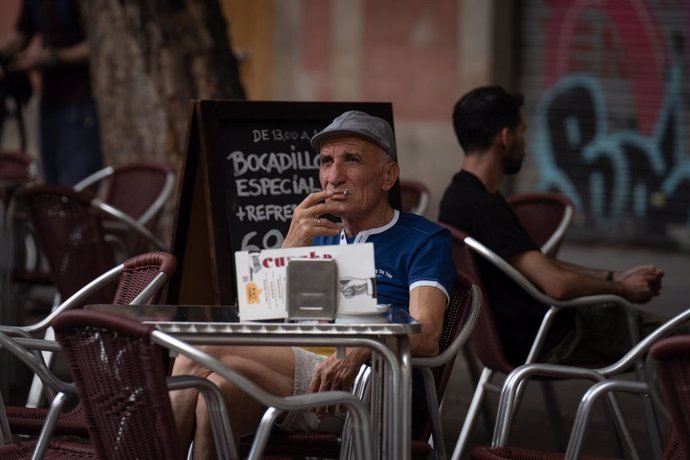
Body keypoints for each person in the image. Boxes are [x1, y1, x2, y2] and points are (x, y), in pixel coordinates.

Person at [170, 110, 456, 459]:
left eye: (351, 160)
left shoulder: (424, 239)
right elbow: (252, 319)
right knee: (215, 392)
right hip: (307, 376)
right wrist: (291, 245)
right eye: (325, 162)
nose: (334, 176)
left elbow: (426, 336)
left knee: (198, 350)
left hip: (374, 385)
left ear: (388, 176)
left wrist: (362, 348)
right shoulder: (320, 237)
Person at [439, 85, 664, 366]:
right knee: (679, 339)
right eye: (523, 131)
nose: (527, 141)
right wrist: (623, 290)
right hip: (551, 338)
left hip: (515, 339)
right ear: (505, 138)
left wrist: (615, 277)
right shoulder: (485, 208)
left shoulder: (456, 197)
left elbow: (540, 264)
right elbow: (556, 285)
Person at [0, 0, 102, 186]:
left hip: (79, 104)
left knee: (77, 188)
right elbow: (20, 36)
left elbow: (97, 45)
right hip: (49, 104)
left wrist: (53, 57)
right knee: (52, 186)